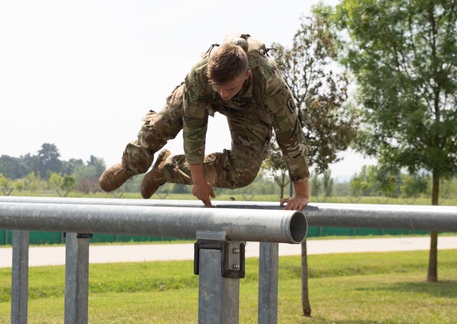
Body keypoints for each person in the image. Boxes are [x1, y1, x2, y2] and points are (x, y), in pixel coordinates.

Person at [98, 34, 310, 211]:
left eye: (230, 89)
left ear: (246, 75)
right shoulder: (199, 76)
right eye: (219, 88)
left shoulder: (269, 82)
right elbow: (194, 129)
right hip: (202, 93)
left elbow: (290, 135)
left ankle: (167, 168)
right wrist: (199, 181)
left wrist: (301, 193)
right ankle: (131, 165)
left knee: (242, 172)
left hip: (251, 108)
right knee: (162, 125)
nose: (224, 95)